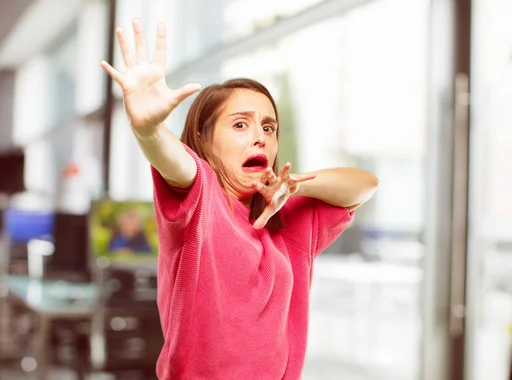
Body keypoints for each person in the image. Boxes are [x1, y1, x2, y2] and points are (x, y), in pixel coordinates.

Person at [100, 18, 379, 380]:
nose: (260, 137)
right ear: (204, 139)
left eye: (268, 127)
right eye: (240, 124)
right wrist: (148, 129)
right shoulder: (201, 200)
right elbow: (174, 161)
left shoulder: (289, 222)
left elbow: (365, 185)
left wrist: (296, 185)